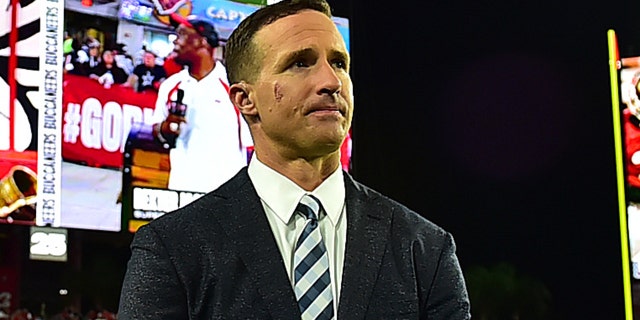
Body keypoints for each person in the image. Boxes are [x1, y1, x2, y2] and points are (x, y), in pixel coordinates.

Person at [118, 0, 471, 319]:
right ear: (244, 100)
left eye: (339, 62)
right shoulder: (171, 249)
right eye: (300, 63)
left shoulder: (425, 249)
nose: (331, 81)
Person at [148, 14, 252, 193]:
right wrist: (166, 128)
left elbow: (252, 144)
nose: (175, 41)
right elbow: (157, 132)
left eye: (182, 34)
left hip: (226, 196)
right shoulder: (171, 86)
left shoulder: (234, 86)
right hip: (182, 190)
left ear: (202, 42)